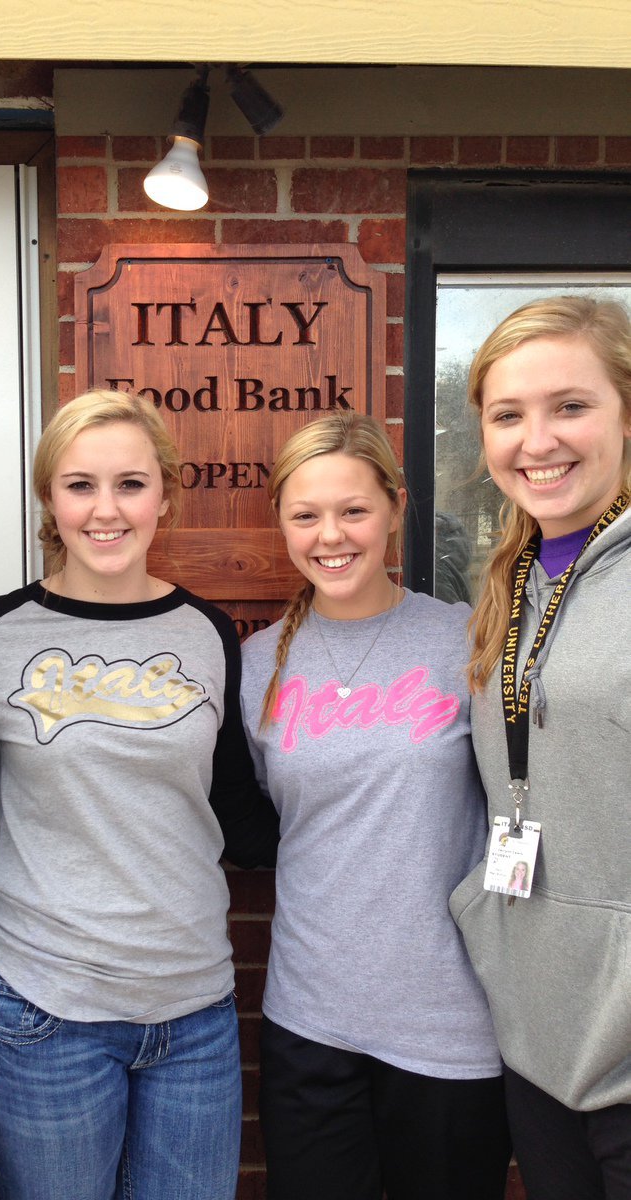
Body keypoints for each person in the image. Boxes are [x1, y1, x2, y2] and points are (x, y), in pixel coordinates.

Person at [0, 388, 279, 1200]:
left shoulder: (205, 633)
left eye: (131, 484)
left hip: (194, 1013)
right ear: (49, 498)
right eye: (80, 485)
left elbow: (238, 815)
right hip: (40, 1008)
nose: (106, 510)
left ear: (164, 496)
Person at [239, 412, 511, 1200]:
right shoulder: (255, 665)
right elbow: (259, 822)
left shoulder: (467, 642)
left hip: (451, 1026)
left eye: (354, 510)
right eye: (306, 515)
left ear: (395, 508)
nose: (331, 535)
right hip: (309, 1020)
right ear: (281, 522)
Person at [449, 295, 631, 1200]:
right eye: (507, 415)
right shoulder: (511, 582)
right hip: (541, 1038)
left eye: (571, 406)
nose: (537, 440)